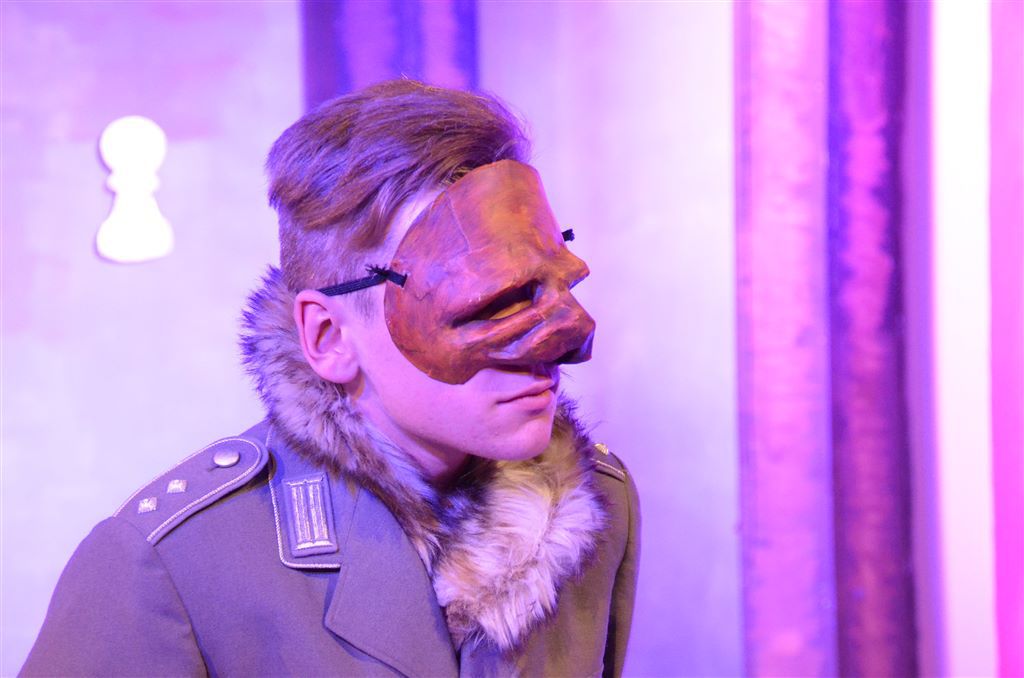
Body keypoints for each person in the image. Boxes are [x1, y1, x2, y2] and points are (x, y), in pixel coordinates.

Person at [22, 79, 640, 677]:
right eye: (490, 301)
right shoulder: (174, 567)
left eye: (555, 285)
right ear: (329, 337)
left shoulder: (595, 510)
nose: (565, 338)